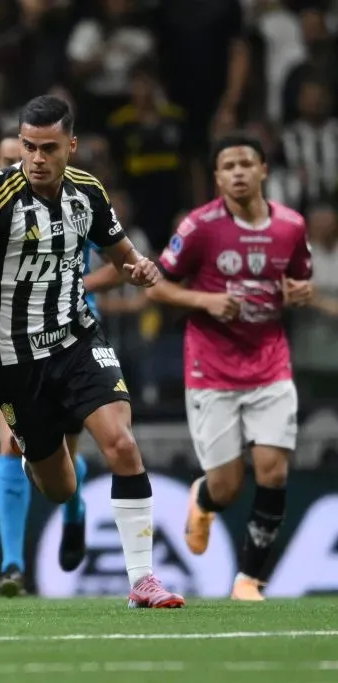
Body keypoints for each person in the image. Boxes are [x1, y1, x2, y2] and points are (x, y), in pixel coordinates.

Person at [0, 95, 184, 608]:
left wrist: (141, 267)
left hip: (76, 338)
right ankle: (58, 481)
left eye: (48, 148)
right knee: (61, 487)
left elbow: (121, 255)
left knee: (123, 445)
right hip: (13, 361)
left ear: (71, 145)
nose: (37, 158)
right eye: (29, 147)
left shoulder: (88, 192)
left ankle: (143, 581)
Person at [148, 132, 314, 601]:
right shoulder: (199, 227)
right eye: (228, 166)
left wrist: (300, 293)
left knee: (273, 471)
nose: (238, 172)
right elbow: (156, 285)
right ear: (217, 178)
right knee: (227, 486)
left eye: (246, 163)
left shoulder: (291, 226)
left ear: (263, 170)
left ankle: (249, 579)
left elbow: (299, 281)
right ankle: (203, 499)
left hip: (270, 363)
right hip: (212, 367)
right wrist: (205, 300)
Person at [0, 133, 90, 597]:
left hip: (70, 338)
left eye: (36, 154)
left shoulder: (75, 203)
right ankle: (12, 564)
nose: (26, 165)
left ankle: (75, 511)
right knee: (13, 444)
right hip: (15, 344)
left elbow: (108, 261)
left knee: (63, 455)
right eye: (12, 159)